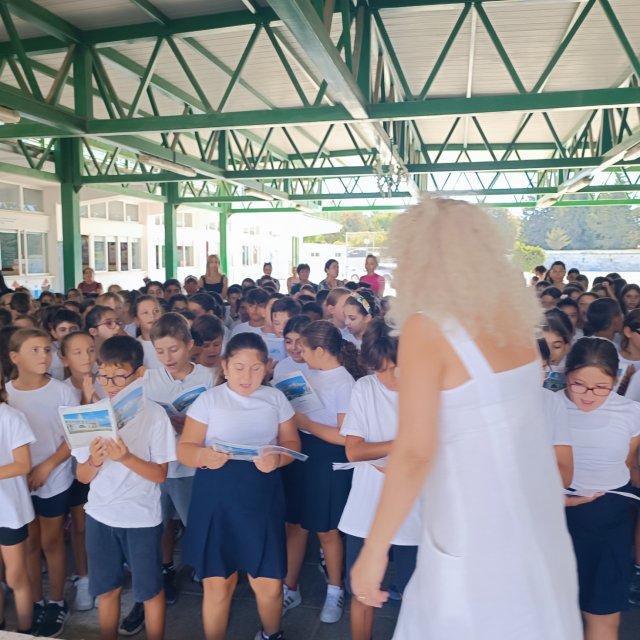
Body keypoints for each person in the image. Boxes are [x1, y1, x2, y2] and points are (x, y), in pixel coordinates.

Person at [350, 197, 581, 639]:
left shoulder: (427, 327)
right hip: (533, 517)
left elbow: (415, 452)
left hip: (472, 523)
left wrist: (375, 548)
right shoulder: (513, 318)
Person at [177, 333, 300, 640]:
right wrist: (203, 456)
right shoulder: (209, 400)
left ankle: (271, 634)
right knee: (218, 584)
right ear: (225, 367)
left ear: (266, 367)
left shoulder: (275, 399)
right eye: (239, 367)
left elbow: (292, 442)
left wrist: (278, 459)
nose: (247, 376)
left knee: (269, 583)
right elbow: (185, 449)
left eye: (255, 368)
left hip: (261, 497)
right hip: (216, 499)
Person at [74, 336, 175, 640]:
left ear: (140, 373)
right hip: (100, 514)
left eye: (119, 376)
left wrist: (126, 457)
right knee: (107, 589)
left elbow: (160, 475)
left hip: (141, 517)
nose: (111, 384)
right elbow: (82, 477)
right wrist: (94, 460)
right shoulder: (92, 415)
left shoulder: (154, 415)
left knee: (150, 590)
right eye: (104, 376)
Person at [339, 318, 420, 640]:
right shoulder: (365, 388)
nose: (388, 378)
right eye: (380, 370)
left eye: (396, 369)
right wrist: (402, 446)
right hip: (367, 506)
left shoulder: (430, 390)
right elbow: (354, 451)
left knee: (418, 594)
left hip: (417, 508)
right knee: (362, 592)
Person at [282, 320, 364, 624]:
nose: (298, 353)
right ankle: (290, 587)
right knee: (295, 524)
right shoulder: (308, 374)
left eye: (303, 348)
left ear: (319, 350)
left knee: (327, 530)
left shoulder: (344, 382)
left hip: (327, 456)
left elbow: (346, 436)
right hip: (301, 451)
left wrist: (306, 423)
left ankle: (334, 589)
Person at [559, 338, 640, 640]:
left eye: (601, 387)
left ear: (615, 380)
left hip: (609, 518)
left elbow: (626, 462)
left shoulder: (631, 412)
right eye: (579, 385)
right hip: (556, 516)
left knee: (603, 614)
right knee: (555, 611)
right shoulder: (547, 407)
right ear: (566, 373)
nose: (589, 395)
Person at [7, 328, 78, 637]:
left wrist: (47, 466)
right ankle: (35, 601)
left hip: (54, 476)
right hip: (17, 482)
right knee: (30, 544)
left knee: (52, 541)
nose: (44, 356)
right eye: (34, 350)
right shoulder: (7, 394)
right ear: (14, 357)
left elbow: (73, 435)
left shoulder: (62, 391)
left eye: (47, 350)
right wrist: (22, 472)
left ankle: (57, 601)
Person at [0, 379, 35, 634]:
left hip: (9, 510)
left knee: (15, 576)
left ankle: (25, 630)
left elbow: (23, 464)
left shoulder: (10, 416)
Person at [134, 295, 163, 370]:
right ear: (137, 320)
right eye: (145, 312)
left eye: (156, 311)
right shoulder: (134, 347)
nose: (152, 315)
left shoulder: (173, 340)